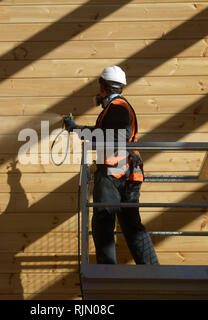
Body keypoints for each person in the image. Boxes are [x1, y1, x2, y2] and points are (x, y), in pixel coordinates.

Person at [64, 66, 159, 265]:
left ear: (102, 87)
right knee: (131, 225)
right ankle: (152, 270)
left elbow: (115, 137)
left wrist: (82, 133)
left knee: (103, 220)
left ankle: (106, 270)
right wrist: (78, 130)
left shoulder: (116, 107)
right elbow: (106, 133)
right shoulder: (118, 107)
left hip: (115, 171)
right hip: (128, 171)